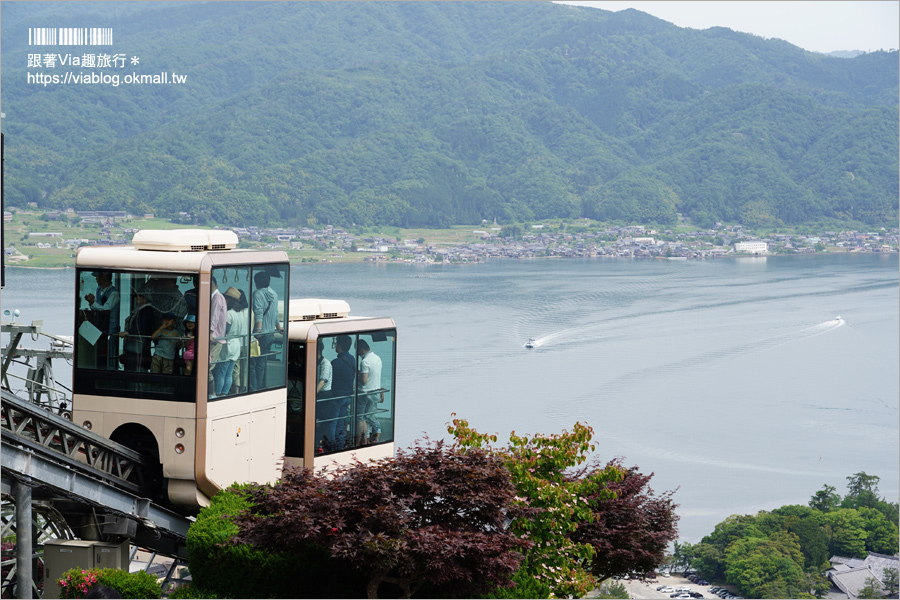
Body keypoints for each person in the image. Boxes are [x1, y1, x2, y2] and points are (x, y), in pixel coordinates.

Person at [250, 271, 282, 391]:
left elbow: (258, 312)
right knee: (261, 362)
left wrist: (258, 329)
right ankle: (259, 386)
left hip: (261, 333)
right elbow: (275, 313)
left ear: (257, 282)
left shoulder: (258, 294)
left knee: (252, 362)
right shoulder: (274, 293)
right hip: (270, 333)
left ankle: (253, 387)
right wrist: (278, 327)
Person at [116, 282, 157, 371]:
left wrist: (128, 332)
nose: (138, 297)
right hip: (136, 343)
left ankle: (138, 384)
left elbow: (141, 326)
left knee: (137, 365)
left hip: (139, 344)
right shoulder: (141, 309)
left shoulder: (147, 310)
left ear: (146, 298)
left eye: (141, 296)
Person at [214, 287, 247, 396]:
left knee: (221, 373)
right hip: (237, 344)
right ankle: (224, 393)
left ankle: (218, 393)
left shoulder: (229, 314)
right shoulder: (240, 313)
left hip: (228, 344)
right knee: (229, 373)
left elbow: (225, 330)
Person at [84, 270, 120, 369]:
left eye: (98, 276)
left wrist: (93, 303)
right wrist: (91, 303)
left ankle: (111, 370)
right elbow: (97, 307)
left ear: (105, 277)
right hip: (99, 326)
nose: (96, 278)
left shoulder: (114, 293)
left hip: (110, 327)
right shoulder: (99, 289)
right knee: (99, 350)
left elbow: (105, 309)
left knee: (109, 351)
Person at [328, 335, 355, 451]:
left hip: (337, 396)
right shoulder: (352, 359)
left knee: (332, 423)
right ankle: (339, 444)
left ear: (339, 346)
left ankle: (331, 445)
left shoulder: (335, 363)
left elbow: (330, 381)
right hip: (347, 396)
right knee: (340, 422)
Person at [356, 339, 383, 445]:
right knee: (369, 418)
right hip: (374, 392)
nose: (358, 354)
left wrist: (357, 375)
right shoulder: (377, 358)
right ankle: (365, 440)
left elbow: (364, 381)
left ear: (362, 350)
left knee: (360, 418)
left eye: (358, 352)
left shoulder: (365, 361)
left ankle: (357, 442)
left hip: (364, 393)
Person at [208, 276, 227, 397]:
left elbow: (214, 315)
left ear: (216, 286)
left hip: (215, 338)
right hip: (218, 337)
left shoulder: (216, 297)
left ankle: (212, 393)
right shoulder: (219, 297)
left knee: (208, 366)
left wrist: (210, 332)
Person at [314, 339, 334, 450]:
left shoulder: (325, 363)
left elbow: (323, 380)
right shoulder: (314, 362)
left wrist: (312, 394)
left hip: (324, 395)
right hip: (317, 394)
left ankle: (320, 444)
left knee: (321, 421)